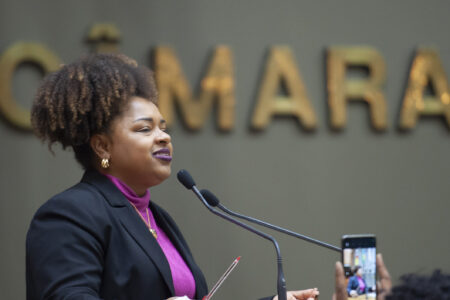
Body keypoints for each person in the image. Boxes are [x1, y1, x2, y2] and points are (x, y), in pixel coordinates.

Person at [26, 53, 319, 300]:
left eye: (163, 128)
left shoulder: (156, 217)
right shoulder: (69, 214)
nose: (163, 137)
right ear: (102, 145)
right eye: (145, 129)